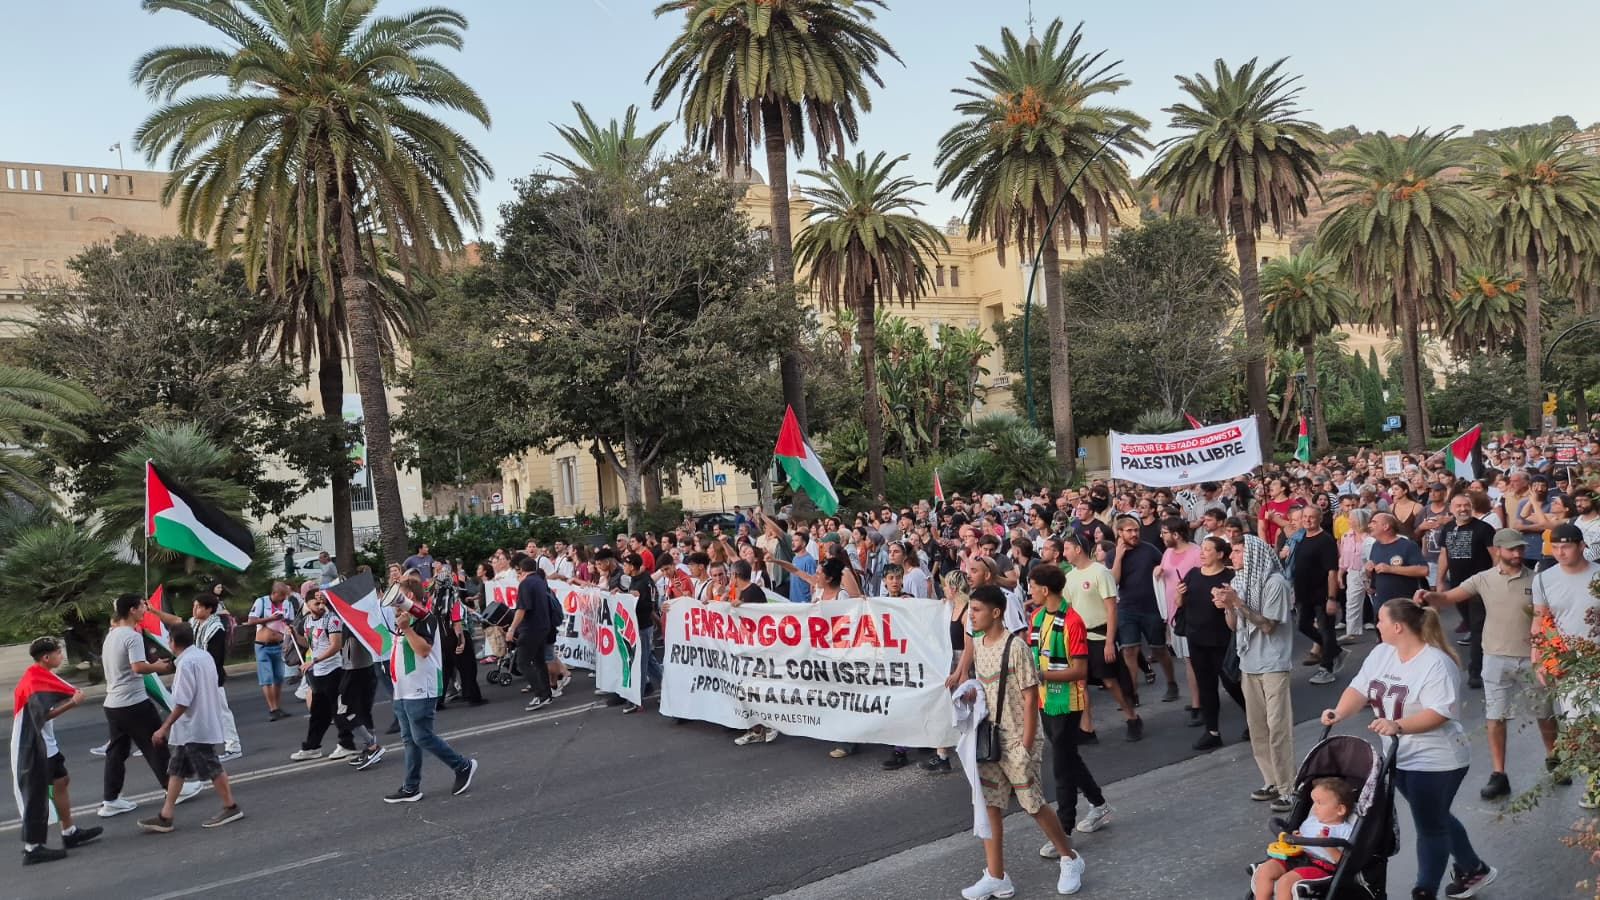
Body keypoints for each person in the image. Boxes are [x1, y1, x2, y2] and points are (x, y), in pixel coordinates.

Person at [1321, 599, 1497, 900]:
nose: (1376, 625)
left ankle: (1424, 889)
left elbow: (1439, 713)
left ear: (1398, 627)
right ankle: (1473, 867)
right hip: (1398, 756)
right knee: (1434, 815)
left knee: (1429, 824)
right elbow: (1359, 688)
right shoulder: (1382, 653)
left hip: (1438, 759)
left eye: (1380, 620)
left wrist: (1398, 725)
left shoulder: (1436, 663)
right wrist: (1339, 712)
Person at [960, 585, 1084, 900]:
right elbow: (988, 687)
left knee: (1033, 804)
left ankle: (1070, 859)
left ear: (996, 612)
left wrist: (1026, 745)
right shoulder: (979, 642)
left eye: (976, 610)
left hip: (1017, 737)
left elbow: (1030, 699)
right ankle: (996, 875)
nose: (971, 616)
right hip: (990, 738)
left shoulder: (1016, 647)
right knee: (990, 806)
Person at [1418, 527, 1560, 801]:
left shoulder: (1538, 579)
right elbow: (1448, 599)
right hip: (1495, 657)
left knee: (1545, 712)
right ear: (1498, 551)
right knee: (1495, 716)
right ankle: (1498, 774)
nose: (1518, 553)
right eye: (1512, 549)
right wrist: (1428, 596)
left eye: (1520, 548)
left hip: (1532, 657)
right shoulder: (1483, 579)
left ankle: (1555, 760)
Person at [1027, 564, 1112, 855]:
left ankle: (1063, 831)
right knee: (1068, 757)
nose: (1030, 591)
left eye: (1032, 586)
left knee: (1061, 767)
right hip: (1044, 701)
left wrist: (1041, 675)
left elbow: (1079, 671)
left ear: (1045, 589)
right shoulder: (1037, 617)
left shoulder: (1073, 621)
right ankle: (1099, 804)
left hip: (1067, 702)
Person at [99, 593, 200, 818]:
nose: (146, 611)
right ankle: (175, 788)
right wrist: (159, 667)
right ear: (133, 610)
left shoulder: (111, 634)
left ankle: (111, 799)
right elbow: (137, 667)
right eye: (143, 607)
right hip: (133, 702)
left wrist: (151, 665)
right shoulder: (131, 636)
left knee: (117, 751)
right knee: (157, 742)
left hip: (113, 704)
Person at [138, 622, 244, 833]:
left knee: (212, 766)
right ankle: (166, 815)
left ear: (173, 642)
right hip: (197, 723)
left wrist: (164, 727)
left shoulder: (186, 664)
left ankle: (230, 806)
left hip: (194, 725)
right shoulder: (202, 657)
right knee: (176, 768)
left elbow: (182, 701)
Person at [1217, 535, 1297, 812]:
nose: (1233, 556)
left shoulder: (1275, 584)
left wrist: (1237, 603)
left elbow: (1269, 626)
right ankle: (1271, 780)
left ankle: (1289, 787)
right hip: (1248, 663)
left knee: (1278, 728)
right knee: (1259, 728)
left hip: (1273, 663)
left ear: (1252, 555)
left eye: (1238, 551)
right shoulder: (1240, 583)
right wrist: (1227, 606)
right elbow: (1233, 627)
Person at [384, 582, 479, 804]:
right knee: (410, 739)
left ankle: (463, 765)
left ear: (407, 595)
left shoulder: (425, 618)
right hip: (403, 689)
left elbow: (423, 650)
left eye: (397, 595)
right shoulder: (404, 619)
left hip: (421, 688)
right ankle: (411, 787)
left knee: (422, 736)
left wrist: (407, 629)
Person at [13, 637, 102, 864]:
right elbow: (41, 717)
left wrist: (71, 698)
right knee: (36, 793)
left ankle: (69, 832)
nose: (61, 656)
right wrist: (72, 703)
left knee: (61, 781)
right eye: (58, 653)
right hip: (34, 744)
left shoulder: (42, 675)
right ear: (46, 657)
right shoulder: (33, 679)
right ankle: (33, 848)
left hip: (46, 743)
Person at [1531, 522, 1600, 810]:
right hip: (1570, 666)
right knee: (1581, 727)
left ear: (1582, 546)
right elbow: (1540, 620)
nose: (1560, 552)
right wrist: (1539, 656)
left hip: (1597, 660)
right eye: (1555, 547)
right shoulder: (1544, 580)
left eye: (1566, 546)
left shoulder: (1597, 576)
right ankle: (1594, 783)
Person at [1062, 532, 1139, 742]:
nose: (1064, 553)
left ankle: (1131, 716)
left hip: (1100, 634)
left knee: (1110, 681)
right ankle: (1087, 728)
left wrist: (1109, 643)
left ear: (1078, 549)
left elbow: (1111, 609)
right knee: (1080, 682)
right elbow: (1068, 610)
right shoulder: (1069, 577)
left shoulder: (1100, 572)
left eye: (1067, 548)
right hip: (1079, 637)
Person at [1177, 536, 1247, 751]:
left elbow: (1238, 605)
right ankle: (1212, 731)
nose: (1203, 552)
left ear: (1219, 554)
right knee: (1206, 686)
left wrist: (1225, 604)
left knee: (1232, 684)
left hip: (1222, 641)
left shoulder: (1230, 576)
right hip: (1196, 639)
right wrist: (1179, 598)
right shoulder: (1193, 575)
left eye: (1208, 549)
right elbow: (1182, 604)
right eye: (1203, 549)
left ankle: (1256, 719)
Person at [1250, 777, 1358, 900]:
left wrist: (1328, 846)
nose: (1315, 807)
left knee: (1285, 882)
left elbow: (1345, 862)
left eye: (1320, 803)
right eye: (1314, 802)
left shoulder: (1345, 830)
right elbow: (1302, 840)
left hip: (1320, 865)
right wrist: (1297, 838)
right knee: (1265, 870)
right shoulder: (1312, 820)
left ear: (1340, 809)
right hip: (1297, 857)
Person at [1110, 515, 1178, 705]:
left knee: (1158, 649)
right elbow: (1114, 580)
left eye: (1136, 530)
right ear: (1120, 533)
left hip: (1151, 607)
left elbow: (1164, 565)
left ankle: (1172, 683)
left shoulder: (1148, 549)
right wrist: (1118, 557)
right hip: (1126, 608)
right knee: (1129, 651)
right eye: (1129, 530)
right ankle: (1132, 693)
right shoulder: (1113, 555)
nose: (1134, 534)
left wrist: (1159, 569)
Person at [1434, 492, 1496, 690]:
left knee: (1477, 629)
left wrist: (1494, 581)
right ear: (1451, 509)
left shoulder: (1484, 529)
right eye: (1458, 506)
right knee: (1472, 626)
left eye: (1466, 505)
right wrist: (1440, 581)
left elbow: (1495, 556)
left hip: (1480, 587)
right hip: (1458, 587)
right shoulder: (1448, 528)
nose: (1463, 509)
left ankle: (1476, 672)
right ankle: (1488, 657)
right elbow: (1444, 555)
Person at [289, 588, 346, 761]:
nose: (321, 606)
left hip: (333, 669)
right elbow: (309, 643)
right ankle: (312, 746)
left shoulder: (332, 620)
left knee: (338, 710)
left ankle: (347, 744)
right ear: (307, 605)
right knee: (318, 713)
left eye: (322, 602)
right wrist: (294, 634)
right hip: (318, 672)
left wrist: (315, 661)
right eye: (316, 603)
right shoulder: (307, 622)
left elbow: (336, 645)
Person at [1293, 505, 1344, 685]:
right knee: (1302, 626)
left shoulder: (1326, 541)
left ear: (1320, 519)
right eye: (1305, 517)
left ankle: (1326, 668)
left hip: (1321, 594)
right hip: (1303, 594)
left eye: (1311, 517)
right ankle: (1334, 650)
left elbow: (1332, 571)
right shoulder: (1301, 538)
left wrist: (1331, 598)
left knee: (1326, 630)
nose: (1307, 520)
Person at [507, 557, 554, 710]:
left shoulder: (526, 584)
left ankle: (539, 694)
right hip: (543, 626)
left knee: (523, 662)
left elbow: (522, 609)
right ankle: (546, 694)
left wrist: (512, 629)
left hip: (530, 628)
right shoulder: (540, 581)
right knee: (539, 662)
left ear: (521, 569)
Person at [244, 582, 297, 720]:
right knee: (266, 678)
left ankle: (277, 706)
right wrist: (270, 618)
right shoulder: (261, 602)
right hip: (263, 645)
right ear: (274, 593)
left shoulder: (287, 604)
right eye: (281, 596)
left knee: (278, 677)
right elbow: (251, 621)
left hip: (279, 644)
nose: (283, 599)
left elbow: (291, 621)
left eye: (285, 597)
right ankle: (272, 708)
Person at [622, 552, 661, 714]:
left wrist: (637, 599)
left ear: (632, 566)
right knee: (649, 660)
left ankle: (637, 699)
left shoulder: (646, 582)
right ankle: (668, 686)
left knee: (641, 661)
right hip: (636, 625)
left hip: (643, 627)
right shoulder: (634, 580)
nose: (624, 567)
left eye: (625, 564)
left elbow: (650, 605)